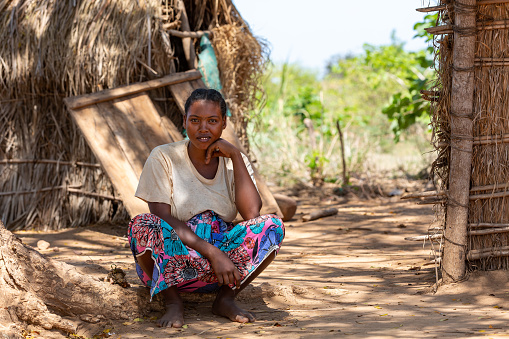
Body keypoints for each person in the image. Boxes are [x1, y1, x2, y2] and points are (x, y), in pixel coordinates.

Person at [127, 88, 285, 328]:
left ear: (224, 123)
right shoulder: (163, 157)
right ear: (184, 122)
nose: (203, 128)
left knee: (272, 225)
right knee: (143, 224)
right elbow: (161, 216)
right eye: (195, 120)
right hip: (173, 264)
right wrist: (213, 253)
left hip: (223, 270)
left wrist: (236, 156)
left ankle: (225, 298)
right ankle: (172, 302)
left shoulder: (234, 161)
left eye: (212, 121)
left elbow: (252, 214)